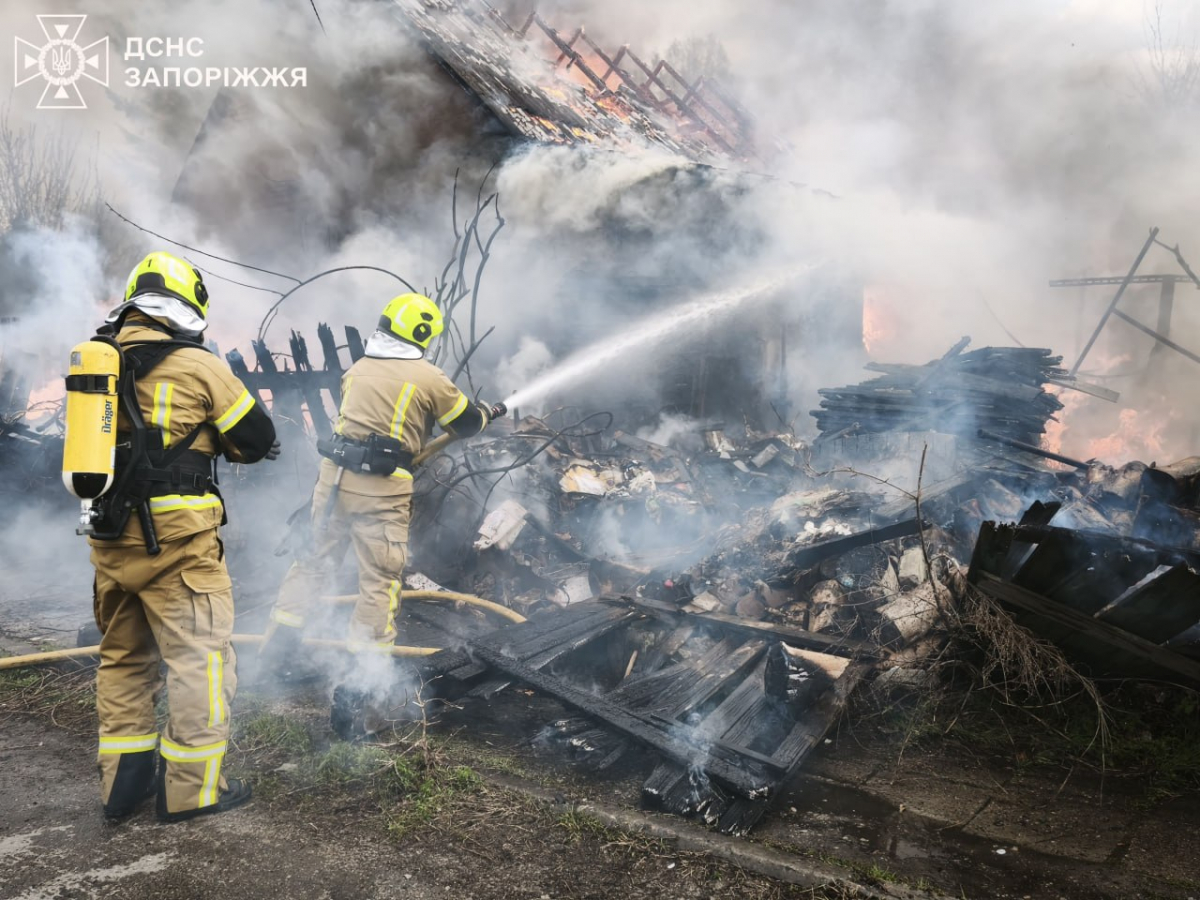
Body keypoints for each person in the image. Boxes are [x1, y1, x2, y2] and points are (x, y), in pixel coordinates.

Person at [88, 251, 279, 822]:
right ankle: (191, 792)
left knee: (122, 659)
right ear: (187, 306)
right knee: (201, 662)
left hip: (111, 538)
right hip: (180, 545)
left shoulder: (98, 362)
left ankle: (121, 789)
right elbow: (254, 437)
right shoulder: (198, 365)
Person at [263, 293, 494, 703]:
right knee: (379, 582)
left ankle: (278, 655)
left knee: (312, 564)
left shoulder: (359, 368)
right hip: (379, 491)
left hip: (332, 483)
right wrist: (486, 413)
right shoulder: (428, 377)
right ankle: (359, 688)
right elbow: (467, 423)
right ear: (422, 335)